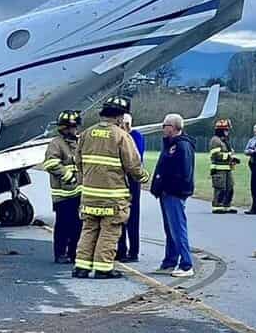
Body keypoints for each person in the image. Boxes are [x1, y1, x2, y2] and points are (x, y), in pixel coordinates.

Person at [71, 97, 146, 278]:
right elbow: (133, 166)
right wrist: (143, 177)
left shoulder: (87, 134)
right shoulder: (121, 136)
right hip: (113, 197)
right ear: (120, 117)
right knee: (109, 231)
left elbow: (78, 161)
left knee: (89, 229)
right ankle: (103, 269)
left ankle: (81, 267)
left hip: (88, 195)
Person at [150, 113, 196, 277]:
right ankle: (170, 261)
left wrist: (167, 184)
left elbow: (183, 172)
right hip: (166, 192)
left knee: (178, 228)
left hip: (174, 193)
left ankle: (186, 264)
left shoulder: (181, 146)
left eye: (165, 125)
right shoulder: (170, 144)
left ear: (174, 127)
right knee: (170, 229)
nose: (163, 128)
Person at [41, 110, 83, 264]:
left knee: (77, 226)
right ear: (64, 128)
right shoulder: (56, 144)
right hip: (63, 194)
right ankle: (60, 254)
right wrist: (67, 175)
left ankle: (73, 253)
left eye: (76, 127)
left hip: (78, 193)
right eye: (72, 128)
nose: (75, 131)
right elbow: (50, 164)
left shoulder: (78, 143)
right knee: (63, 226)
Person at [116, 110, 147, 261]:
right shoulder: (120, 137)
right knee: (119, 215)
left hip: (132, 180)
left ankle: (133, 252)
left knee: (132, 217)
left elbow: (136, 159)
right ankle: (121, 250)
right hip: (120, 180)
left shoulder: (136, 136)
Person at [208, 119, 240, 213]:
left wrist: (233, 159)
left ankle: (226, 206)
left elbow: (228, 153)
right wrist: (229, 156)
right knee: (220, 188)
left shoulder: (225, 141)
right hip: (219, 170)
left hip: (227, 169)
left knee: (230, 188)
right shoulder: (215, 140)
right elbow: (215, 155)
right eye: (225, 130)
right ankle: (217, 207)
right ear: (220, 130)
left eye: (228, 130)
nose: (227, 132)